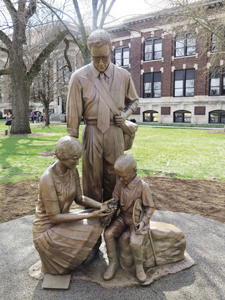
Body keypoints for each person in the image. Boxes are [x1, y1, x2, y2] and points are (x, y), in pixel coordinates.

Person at [66, 29, 139, 204]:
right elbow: (73, 111)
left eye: (104, 58)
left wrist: (125, 114)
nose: (100, 63)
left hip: (114, 131)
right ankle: (93, 213)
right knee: (92, 176)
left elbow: (134, 101)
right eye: (95, 58)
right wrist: (72, 138)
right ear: (90, 52)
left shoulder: (123, 75)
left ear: (110, 50)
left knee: (116, 173)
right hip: (91, 131)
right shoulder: (79, 77)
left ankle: (114, 211)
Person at [32, 136, 115, 275]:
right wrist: (90, 214)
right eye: (74, 158)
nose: (77, 162)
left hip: (62, 220)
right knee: (92, 220)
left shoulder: (72, 171)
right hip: (47, 229)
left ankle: (85, 254)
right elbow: (54, 218)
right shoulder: (48, 179)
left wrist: (100, 206)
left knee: (97, 219)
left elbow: (79, 198)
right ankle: (68, 258)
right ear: (62, 157)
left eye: (78, 158)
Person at [103, 154, 155, 283]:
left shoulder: (143, 186)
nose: (121, 179)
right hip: (123, 218)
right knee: (108, 234)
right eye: (119, 176)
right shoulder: (119, 185)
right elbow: (114, 202)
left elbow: (150, 208)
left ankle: (139, 267)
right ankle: (112, 263)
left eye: (123, 176)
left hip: (136, 220)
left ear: (134, 171)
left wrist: (143, 222)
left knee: (135, 242)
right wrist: (107, 214)